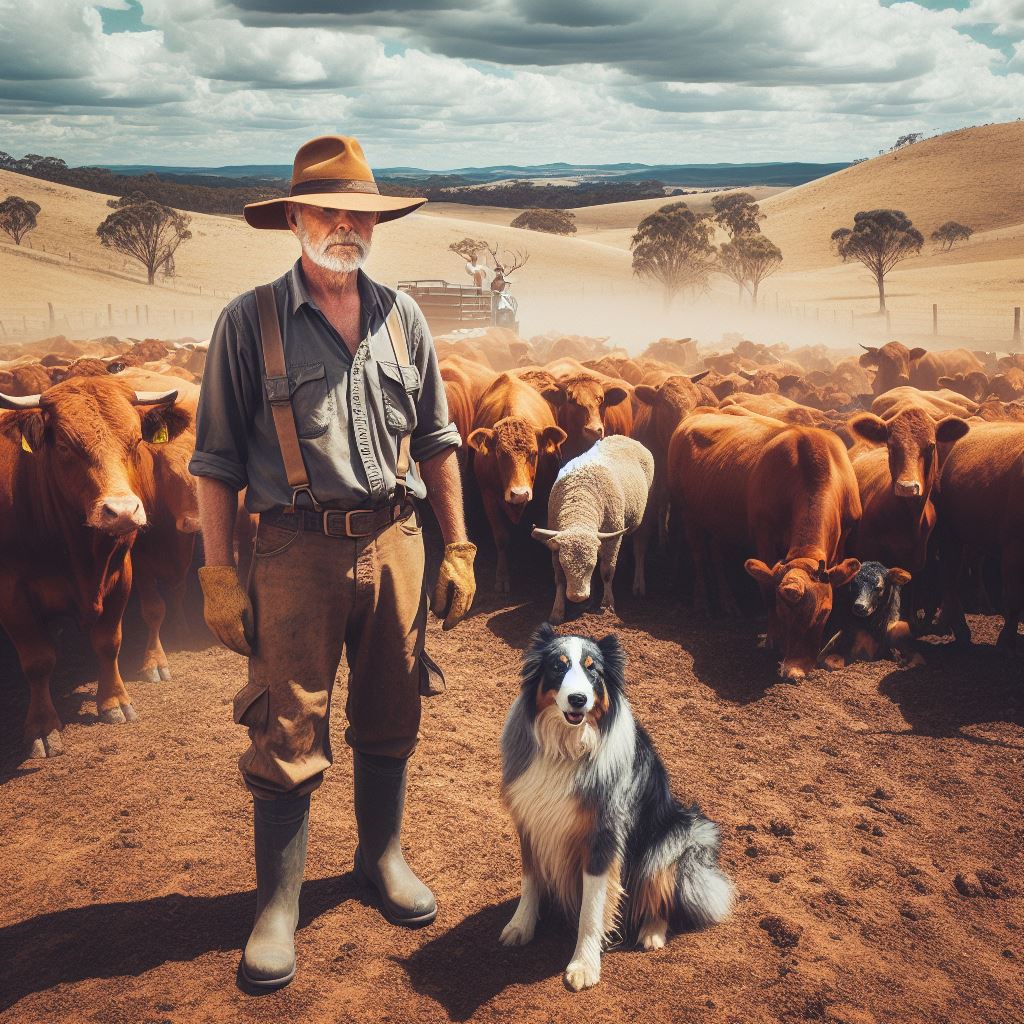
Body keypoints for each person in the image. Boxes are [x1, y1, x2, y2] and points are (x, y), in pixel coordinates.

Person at [188, 134, 477, 990]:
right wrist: (216, 571)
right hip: (292, 551)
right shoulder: (249, 322)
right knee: (286, 727)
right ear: (294, 221)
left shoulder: (404, 318)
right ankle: (276, 907)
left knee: (393, 709)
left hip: (397, 543)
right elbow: (213, 463)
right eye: (327, 212)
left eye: (361, 214)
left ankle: (378, 859)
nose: (345, 226)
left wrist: (456, 546)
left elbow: (436, 442)